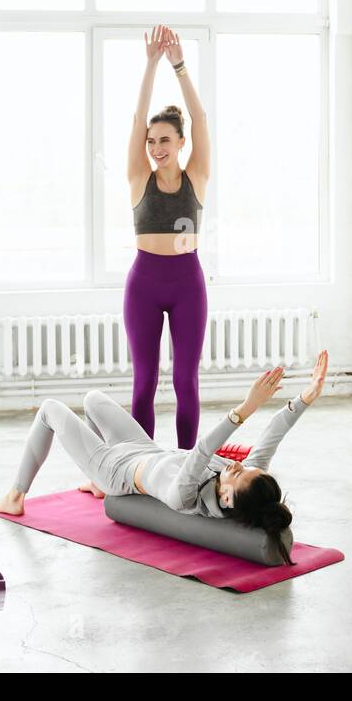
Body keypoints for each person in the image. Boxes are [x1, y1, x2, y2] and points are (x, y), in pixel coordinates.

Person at [0, 351, 329, 565]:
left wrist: (245, 408)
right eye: (244, 470)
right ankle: (92, 483)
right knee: (93, 398)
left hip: (115, 470)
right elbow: (272, 437)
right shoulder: (239, 484)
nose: (238, 466)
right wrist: (305, 398)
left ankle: (15, 496)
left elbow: (201, 451)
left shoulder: (185, 495)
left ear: (226, 498)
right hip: (143, 448)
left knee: (50, 409)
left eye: (238, 475)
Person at [125, 24, 210, 449]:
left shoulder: (197, 177)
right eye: (151, 141)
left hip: (186, 283)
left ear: (179, 143)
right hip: (144, 283)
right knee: (143, 382)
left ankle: (184, 466)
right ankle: (143, 468)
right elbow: (139, 118)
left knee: (185, 381)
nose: (156, 147)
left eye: (165, 140)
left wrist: (179, 66)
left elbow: (201, 118)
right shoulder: (140, 177)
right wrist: (150, 64)